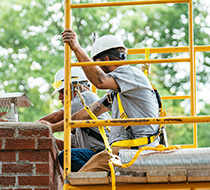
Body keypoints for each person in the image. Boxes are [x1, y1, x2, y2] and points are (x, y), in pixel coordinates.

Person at [45, 29, 160, 173]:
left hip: (133, 149)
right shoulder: (118, 90)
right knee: (74, 165)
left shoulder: (129, 73)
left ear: (106, 60)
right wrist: (51, 127)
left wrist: (76, 48)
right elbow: (85, 114)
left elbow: (100, 81)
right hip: (123, 149)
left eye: (96, 64)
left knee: (83, 177)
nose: (95, 69)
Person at [37, 67, 111, 172]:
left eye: (62, 91)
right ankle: (90, 175)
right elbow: (69, 145)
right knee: (68, 155)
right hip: (96, 154)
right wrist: (49, 139)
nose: (60, 97)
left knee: (66, 156)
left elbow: (57, 116)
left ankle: (88, 175)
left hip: (104, 153)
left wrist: (33, 127)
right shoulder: (75, 125)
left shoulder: (86, 97)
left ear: (75, 87)